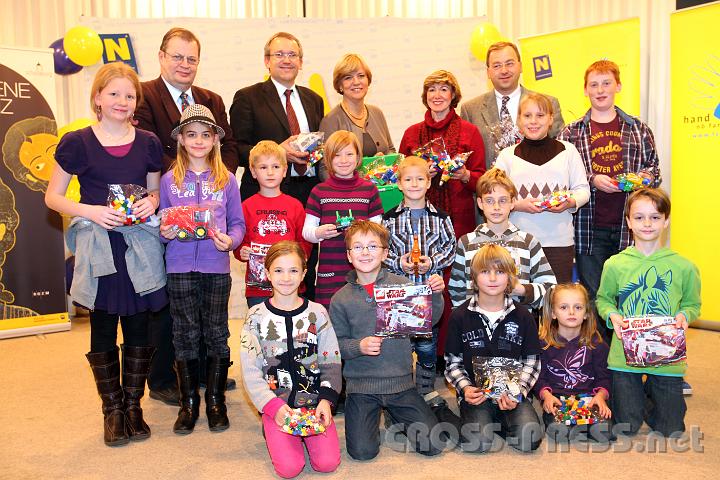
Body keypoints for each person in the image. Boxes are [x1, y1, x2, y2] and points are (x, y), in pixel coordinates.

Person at [45, 62, 167, 446]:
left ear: (136, 102)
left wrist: (152, 202)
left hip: (138, 247)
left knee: (137, 325)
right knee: (101, 326)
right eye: (113, 93)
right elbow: (53, 196)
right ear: (97, 98)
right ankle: (111, 410)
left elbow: (156, 191)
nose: (122, 101)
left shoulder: (148, 142)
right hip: (99, 246)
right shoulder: (77, 142)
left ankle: (134, 406)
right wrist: (91, 210)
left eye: (129, 95)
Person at [134, 27, 239, 405]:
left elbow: (229, 151)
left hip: (210, 207)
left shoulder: (211, 98)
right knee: (171, 307)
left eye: (191, 58)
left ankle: (208, 375)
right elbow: (147, 147)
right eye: (177, 56)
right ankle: (165, 379)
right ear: (161, 56)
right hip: (166, 199)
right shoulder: (143, 94)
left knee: (212, 314)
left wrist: (213, 177)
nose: (184, 64)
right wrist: (180, 182)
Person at [558, 60, 661, 344]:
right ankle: (601, 359)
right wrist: (591, 178)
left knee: (630, 292)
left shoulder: (638, 129)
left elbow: (655, 171)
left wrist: (641, 178)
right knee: (594, 296)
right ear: (585, 90)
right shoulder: (572, 132)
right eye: (594, 84)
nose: (600, 90)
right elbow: (561, 178)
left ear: (618, 86)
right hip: (589, 229)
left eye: (606, 83)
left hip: (632, 228)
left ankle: (634, 353)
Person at [159, 105, 245, 434]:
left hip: (215, 267)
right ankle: (188, 404)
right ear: (180, 139)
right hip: (179, 266)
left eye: (205, 135)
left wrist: (231, 241)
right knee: (184, 334)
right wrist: (164, 232)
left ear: (214, 141)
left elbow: (237, 223)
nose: (198, 141)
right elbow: (164, 222)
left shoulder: (226, 181)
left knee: (216, 333)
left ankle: (215, 401)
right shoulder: (169, 181)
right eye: (191, 134)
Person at [330, 221, 445, 460]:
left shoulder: (402, 286)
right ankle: (380, 417)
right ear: (349, 256)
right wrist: (358, 346)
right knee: (363, 452)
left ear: (384, 253)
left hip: (401, 384)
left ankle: (395, 415)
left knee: (433, 444)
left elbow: (428, 321)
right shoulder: (340, 299)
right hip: (361, 387)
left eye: (373, 246)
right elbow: (334, 346)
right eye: (358, 247)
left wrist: (435, 294)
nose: (365, 252)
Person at [596, 188, 701, 438]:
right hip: (625, 356)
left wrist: (685, 316)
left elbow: (692, 304)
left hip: (667, 355)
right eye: (639, 217)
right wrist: (612, 315)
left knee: (671, 429)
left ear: (666, 221)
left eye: (655, 217)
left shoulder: (685, 267)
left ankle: (652, 398)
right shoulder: (614, 264)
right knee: (626, 428)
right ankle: (635, 397)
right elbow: (603, 299)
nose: (647, 223)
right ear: (629, 222)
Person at [240, 241, 341, 478]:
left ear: (304, 273)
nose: (286, 278)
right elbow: (250, 372)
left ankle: (303, 434)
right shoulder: (255, 317)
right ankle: (271, 426)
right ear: (267, 273)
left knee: (327, 464)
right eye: (278, 270)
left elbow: (332, 362)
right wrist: (272, 407)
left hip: (314, 406)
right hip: (278, 406)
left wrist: (326, 400)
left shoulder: (318, 312)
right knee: (289, 469)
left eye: (293, 270)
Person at [444, 244, 543, 453]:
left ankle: (497, 420)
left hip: (512, 393)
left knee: (529, 439)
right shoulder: (459, 316)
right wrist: (465, 388)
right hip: (476, 394)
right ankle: (456, 415)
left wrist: (518, 393)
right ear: (473, 277)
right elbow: (452, 362)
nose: (492, 278)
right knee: (477, 444)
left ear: (510, 278)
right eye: (485, 271)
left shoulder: (523, 316)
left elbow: (532, 362)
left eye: (499, 272)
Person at [381, 156, 456, 407]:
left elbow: (451, 248)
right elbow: (382, 251)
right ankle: (401, 389)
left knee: (427, 346)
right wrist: (397, 262)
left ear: (429, 182)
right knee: (399, 346)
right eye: (408, 179)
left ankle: (425, 388)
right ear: (399, 184)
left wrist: (433, 262)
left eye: (420, 179)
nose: (414, 184)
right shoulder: (389, 218)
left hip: (428, 293)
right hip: (398, 294)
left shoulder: (441, 218)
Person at [495, 93, 590, 283]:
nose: (533, 121)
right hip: (517, 242)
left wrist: (570, 202)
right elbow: (496, 196)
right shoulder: (506, 156)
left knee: (555, 301)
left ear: (551, 119)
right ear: (519, 120)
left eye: (540, 115)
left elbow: (583, 190)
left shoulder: (568, 151)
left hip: (559, 243)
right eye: (527, 115)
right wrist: (518, 205)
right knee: (520, 303)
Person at [230, 31, 324, 205]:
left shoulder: (314, 100)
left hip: (311, 193)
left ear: (301, 62)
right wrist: (277, 153)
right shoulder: (248, 97)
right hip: (265, 195)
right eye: (279, 54)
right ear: (267, 61)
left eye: (292, 55)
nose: (286, 60)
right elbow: (236, 149)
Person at [448, 168, 556, 309]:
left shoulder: (528, 242)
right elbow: (456, 290)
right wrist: (467, 320)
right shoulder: (466, 243)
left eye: (503, 201)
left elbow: (551, 290)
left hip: (517, 324)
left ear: (513, 202)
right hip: (476, 326)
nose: (496, 207)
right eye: (489, 200)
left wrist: (522, 289)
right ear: (480, 203)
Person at [398, 69, 485, 239]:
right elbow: (398, 176)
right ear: (425, 96)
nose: (437, 95)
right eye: (432, 89)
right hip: (417, 219)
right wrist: (421, 174)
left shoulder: (470, 131)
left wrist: (465, 175)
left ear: (453, 95)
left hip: (460, 221)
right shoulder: (411, 133)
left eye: (444, 89)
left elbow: (482, 181)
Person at [302, 130, 384, 310]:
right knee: (331, 321)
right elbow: (307, 233)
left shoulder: (369, 190)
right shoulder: (319, 192)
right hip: (329, 272)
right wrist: (319, 233)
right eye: (337, 155)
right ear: (328, 159)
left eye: (349, 154)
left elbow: (379, 232)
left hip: (364, 269)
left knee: (364, 316)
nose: (344, 160)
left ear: (358, 157)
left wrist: (363, 231)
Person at [460, 41, 565, 168]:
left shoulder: (548, 103)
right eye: (497, 66)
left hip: (537, 184)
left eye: (509, 64)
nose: (504, 71)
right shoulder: (470, 110)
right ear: (488, 72)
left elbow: (561, 153)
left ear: (520, 66)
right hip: (488, 186)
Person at [234, 141, 311, 308]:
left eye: (276, 167)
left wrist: (300, 257)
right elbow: (240, 242)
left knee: (292, 329)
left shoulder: (295, 206)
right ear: (253, 172)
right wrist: (243, 251)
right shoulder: (246, 206)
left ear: (284, 171)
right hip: (258, 289)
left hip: (290, 284)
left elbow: (305, 241)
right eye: (263, 167)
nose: (270, 172)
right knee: (261, 330)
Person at [535, 283, 612, 443]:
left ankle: (583, 425)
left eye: (578, 307)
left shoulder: (597, 344)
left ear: (586, 314)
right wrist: (546, 396)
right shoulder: (543, 344)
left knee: (604, 434)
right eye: (563, 307)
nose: (571, 312)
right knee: (561, 434)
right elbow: (539, 377)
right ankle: (573, 426)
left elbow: (604, 377)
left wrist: (600, 396)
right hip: (557, 399)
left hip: (589, 399)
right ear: (553, 313)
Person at [318, 53, 394, 179]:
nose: (356, 82)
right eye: (348, 77)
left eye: (361, 76)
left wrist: (383, 161)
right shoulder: (330, 121)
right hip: (349, 194)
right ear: (340, 85)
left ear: (368, 80)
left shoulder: (377, 113)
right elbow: (324, 169)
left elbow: (391, 150)